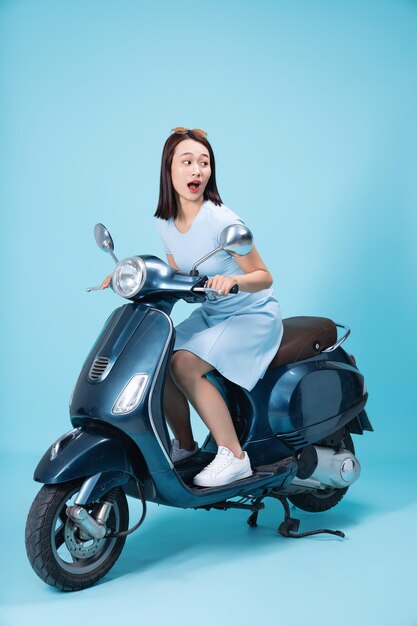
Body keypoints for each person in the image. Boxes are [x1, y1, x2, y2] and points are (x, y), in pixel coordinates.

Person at [153, 127, 284, 487]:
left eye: (205, 163)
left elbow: (264, 276)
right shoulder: (165, 222)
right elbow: (177, 273)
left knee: (184, 364)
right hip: (214, 314)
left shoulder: (223, 221)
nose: (197, 170)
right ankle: (186, 446)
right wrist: (126, 274)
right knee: (156, 358)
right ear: (169, 169)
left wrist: (235, 281)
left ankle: (233, 455)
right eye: (188, 162)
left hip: (250, 315)